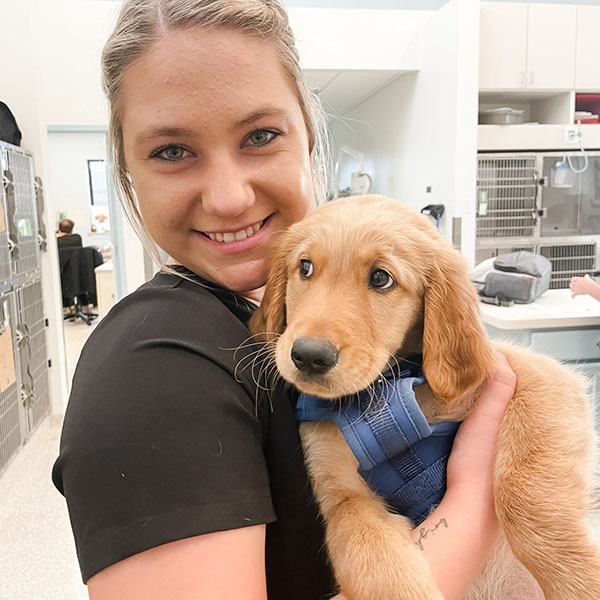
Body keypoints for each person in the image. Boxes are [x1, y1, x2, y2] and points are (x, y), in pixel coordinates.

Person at [51, 2, 517, 599]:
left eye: (260, 136)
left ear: (309, 134)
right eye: (172, 151)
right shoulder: (152, 368)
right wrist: (476, 502)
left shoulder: (269, 314)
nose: (227, 197)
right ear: (126, 169)